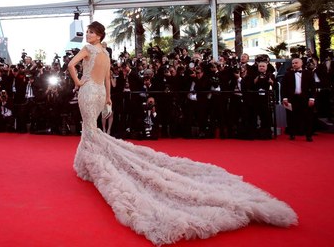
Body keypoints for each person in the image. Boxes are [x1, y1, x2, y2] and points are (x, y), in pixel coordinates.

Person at [67, 21, 297, 245]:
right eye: (87, 32)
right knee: (91, 128)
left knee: (89, 129)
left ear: (98, 35)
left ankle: (91, 164)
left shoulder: (88, 50)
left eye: (91, 32)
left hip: (89, 91)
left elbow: (71, 65)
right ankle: (86, 164)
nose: (87, 35)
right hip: (100, 94)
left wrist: (78, 82)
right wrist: (108, 97)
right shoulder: (105, 54)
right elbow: (109, 80)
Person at [281, 57, 316, 142]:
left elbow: (313, 86)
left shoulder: (308, 73)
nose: (294, 64)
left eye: (296, 63)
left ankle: (309, 135)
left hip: (305, 98)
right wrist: (284, 98)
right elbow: (283, 87)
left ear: (301, 63)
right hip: (292, 98)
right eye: (293, 63)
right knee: (291, 117)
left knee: (307, 117)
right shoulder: (287, 74)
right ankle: (292, 134)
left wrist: (312, 98)